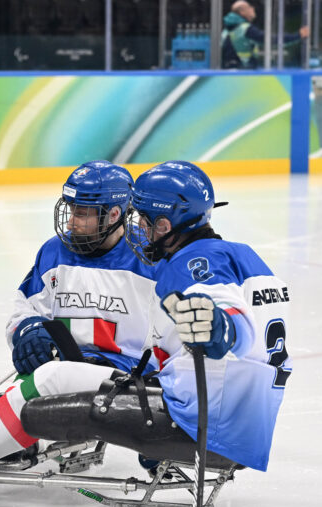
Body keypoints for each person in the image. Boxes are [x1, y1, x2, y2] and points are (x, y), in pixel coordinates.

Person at [0, 161, 160, 465]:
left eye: (82, 213)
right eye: (71, 210)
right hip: (60, 364)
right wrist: (28, 330)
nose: (70, 223)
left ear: (114, 214)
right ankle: (13, 440)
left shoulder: (151, 258)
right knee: (34, 384)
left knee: (42, 391)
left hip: (125, 377)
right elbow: (24, 309)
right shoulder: (54, 251)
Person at [119, 161, 291, 471]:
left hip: (206, 427)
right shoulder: (244, 255)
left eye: (145, 220)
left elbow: (229, 316)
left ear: (165, 225)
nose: (139, 229)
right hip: (249, 426)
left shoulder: (189, 263)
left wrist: (222, 328)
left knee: (61, 384)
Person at [222, 0, 309, 69]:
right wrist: (297, 35)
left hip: (228, 70)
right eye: (250, 7)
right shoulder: (246, 29)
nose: (253, 8)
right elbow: (270, 40)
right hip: (243, 73)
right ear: (242, 12)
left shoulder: (226, 30)